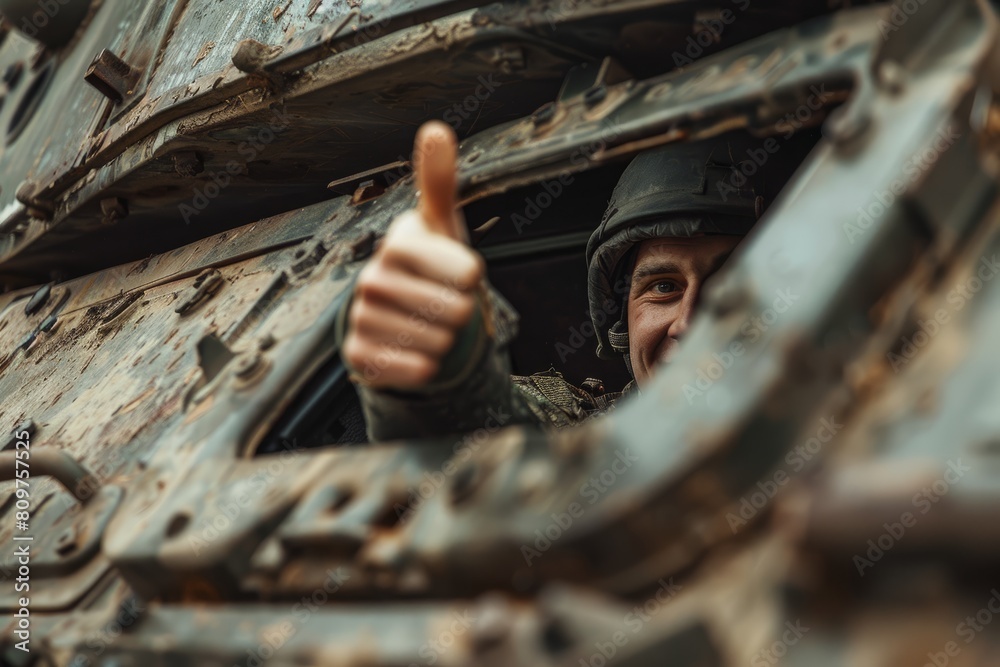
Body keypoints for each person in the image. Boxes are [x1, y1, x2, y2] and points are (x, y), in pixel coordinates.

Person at [338, 122, 814, 440]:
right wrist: (438, 379)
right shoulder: (586, 435)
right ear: (623, 322)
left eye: (733, 280)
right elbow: (498, 444)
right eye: (663, 287)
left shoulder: (870, 408)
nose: (689, 324)